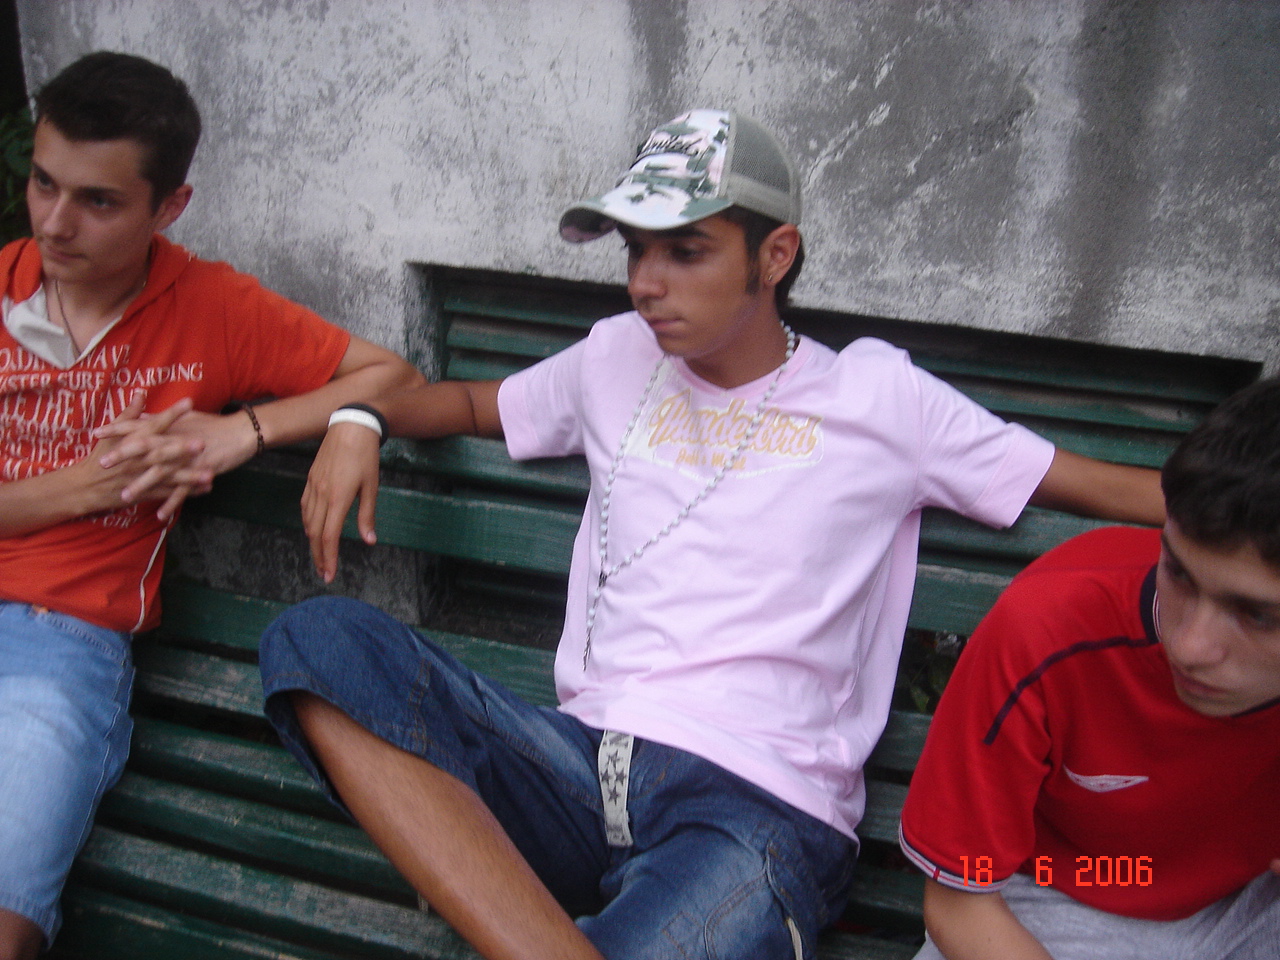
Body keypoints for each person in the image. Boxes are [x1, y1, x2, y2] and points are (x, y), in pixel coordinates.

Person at [260, 109, 1166, 960]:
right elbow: (464, 404)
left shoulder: (879, 398)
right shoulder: (618, 356)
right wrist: (361, 418)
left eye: (685, 251)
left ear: (775, 255)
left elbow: (1108, 487)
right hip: (578, 770)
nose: (645, 283)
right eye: (636, 250)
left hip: (755, 809)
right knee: (317, 643)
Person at [0, 51, 422, 957]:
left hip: (57, 636)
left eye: (97, 201)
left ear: (170, 207)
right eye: (43, 184)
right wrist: (89, 486)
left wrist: (247, 431)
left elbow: (391, 375)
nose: (55, 223)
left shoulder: (210, 308)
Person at [898, 376, 1280, 960]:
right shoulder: (1047, 627)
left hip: (1251, 903)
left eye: (1258, 615)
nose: (1190, 646)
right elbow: (960, 899)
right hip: (1058, 892)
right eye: (1178, 573)